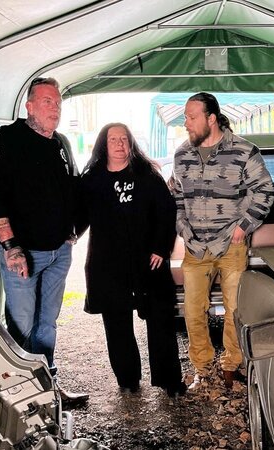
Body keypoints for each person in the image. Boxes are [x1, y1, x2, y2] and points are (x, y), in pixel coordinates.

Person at [0, 77, 88, 407]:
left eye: (58, 103)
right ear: (29, 106)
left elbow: (73, 187)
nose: (55, 108)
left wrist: (74, 230)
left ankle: (49, 390)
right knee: (22, 327)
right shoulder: (6, 140)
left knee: (46, 326)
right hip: (22, 254)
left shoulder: (61, 143)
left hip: (59, 252)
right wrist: (10, 246)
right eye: (47, 101)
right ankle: (23, 397)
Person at [172, 92, 274, 389]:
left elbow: (265, 191)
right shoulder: (182, 154)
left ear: (211, 119)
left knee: (234, 311)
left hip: (231, 245)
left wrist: (244, 227)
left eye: (192, 117)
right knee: (193, 311)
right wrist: (182, 227)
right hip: (196, 247)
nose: (186, 123)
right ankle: (202, 369)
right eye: (185, 117)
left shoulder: (244, 151)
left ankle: (231, 366)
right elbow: (177, 195)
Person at [77, 123, 187, 397]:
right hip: (108, 264)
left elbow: (167, 212)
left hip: (149, 261)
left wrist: (161, 248)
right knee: (117, 323)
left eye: (124, 139)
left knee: (160, 319)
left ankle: (170, 380)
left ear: (131, 143)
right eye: (113, 139)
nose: (119, 144)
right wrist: (68, 235)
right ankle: (127, 378)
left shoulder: (147, 175)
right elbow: (78, 215)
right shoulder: (91, 180)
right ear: (103, 145)